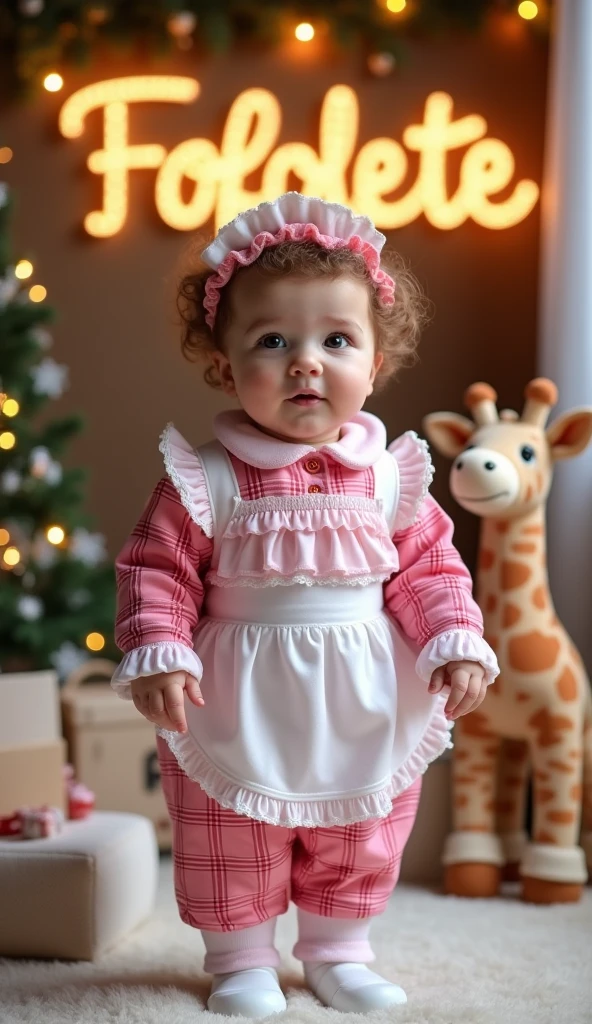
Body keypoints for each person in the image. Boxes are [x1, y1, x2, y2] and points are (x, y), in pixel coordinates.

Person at [112, 192, 498, 1018]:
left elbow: (430, 570)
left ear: (376, 362)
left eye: (336, 340)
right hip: (237, 694)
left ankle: (336, 949)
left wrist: (453, 638)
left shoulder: (392, 477)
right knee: (230, 833)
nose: (306, 362)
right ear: (223, 364)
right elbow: (155, 571)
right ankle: (241, 958)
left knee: (357, 831)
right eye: (273, 341)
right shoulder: (206, 477)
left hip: (363, 691)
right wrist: (160, 648)